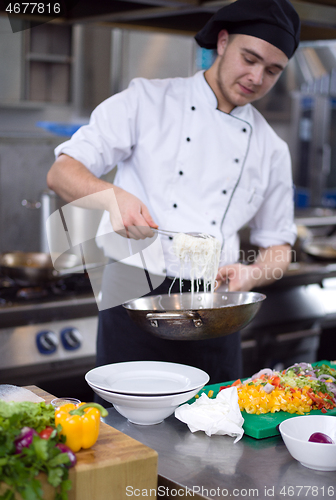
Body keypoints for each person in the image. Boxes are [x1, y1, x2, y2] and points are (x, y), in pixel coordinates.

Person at [47, 0, 301, 387]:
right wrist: (110, 197)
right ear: (222, 42)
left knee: (214, 424)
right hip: (131, 285)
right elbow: (62, 172)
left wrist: (251, 273)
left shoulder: (271, 147)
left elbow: (279, 247)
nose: (256, 77)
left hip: (215, 297)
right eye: (249, 58)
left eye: (272, 71)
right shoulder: (146, 100)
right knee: (128, 423)